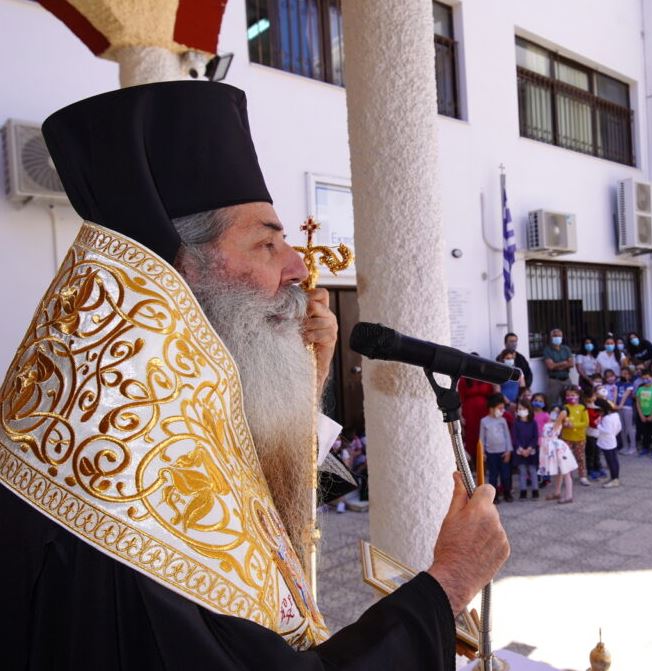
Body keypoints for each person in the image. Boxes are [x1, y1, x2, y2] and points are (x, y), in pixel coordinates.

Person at [1, 82, 507, 669]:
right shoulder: (120, 459)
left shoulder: (118, 403)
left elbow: (240, 511)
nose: (298, 268)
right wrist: (445, 588)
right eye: (266, 244)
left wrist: (308, 387)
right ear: (174, 267)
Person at [480, 395, 514, 503]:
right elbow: (481, 438)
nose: (502, 411)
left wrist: (508, 451)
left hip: (503, 452)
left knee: (505, 475)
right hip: (491, 453)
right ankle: (494, 496)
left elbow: (507, 436)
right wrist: (482, 453)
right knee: (493, 476)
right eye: (500, 408)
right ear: (491, 408)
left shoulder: (503, 420)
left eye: (503, 408)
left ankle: (507, 493)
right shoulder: (484, 421)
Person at [540, 407, 576, 503]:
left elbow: (563, 413)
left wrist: (563, 411)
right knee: (558, 472)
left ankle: (569, 496)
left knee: (566, 472)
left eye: (556, 411)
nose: (554, 412)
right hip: (551, 449)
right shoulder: (550, 421)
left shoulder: (557, 423)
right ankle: (557, 492)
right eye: (553, 410)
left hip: (558, 449)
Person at [461, 374, 497, 458]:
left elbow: (492, 395)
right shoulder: (464, 380)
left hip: (484, 411)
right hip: (469, 412)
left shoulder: (486, 378)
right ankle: (472, 459)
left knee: (484, 432)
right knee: (471, 433)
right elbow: (460, 399)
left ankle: (485, 457)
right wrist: (460, 416)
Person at [560, 385, 590, 486]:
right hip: (566, 438)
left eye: (573, 395)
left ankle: (583, 476)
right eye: (568, 395)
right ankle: (568, 477)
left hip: (579, 437)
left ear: (578, 396)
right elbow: (560, 420)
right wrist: (563, 424)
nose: (570, 397)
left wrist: (573, 425)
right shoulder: (564, 408)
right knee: (567, 458)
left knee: (580, 458)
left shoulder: (582, 408)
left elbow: (585, 423)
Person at [511, 399, 540, 500]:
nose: (521, 410)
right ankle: (523, 491)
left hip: (531, 451)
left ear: (529, 409)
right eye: (519, 409)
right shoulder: (516, 423)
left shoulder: (533, 423)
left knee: (533, 471)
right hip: (520, 451)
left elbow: (535, 437)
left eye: (523, 409)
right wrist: (521, 449)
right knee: (522, 471)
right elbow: (514, 438)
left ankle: (535, 491)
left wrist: (529, 448)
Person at [543, 328, 575, 404]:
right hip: (554, 381)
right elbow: (550, 366)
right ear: (551, 337)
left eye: (559, 335)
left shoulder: (566, 349)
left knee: (569, 402)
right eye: (555, 335)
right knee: (551, 402)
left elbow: (571, 364)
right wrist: (564, 363)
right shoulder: (547, 350)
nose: (557, 337)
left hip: (566, 379)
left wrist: (556, 365)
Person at [596, 399, 624, 488]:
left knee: (611, 461)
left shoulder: (607, 418)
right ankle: (614, 478)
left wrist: (598, 425)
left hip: (607, 442)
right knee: (613, 460)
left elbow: (607, 431)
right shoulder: (615, 415)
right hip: (612, 440)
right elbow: (619, 428)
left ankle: (615, 479)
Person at [634, 368, 652, 458]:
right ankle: (645, 448)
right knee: (645, 433)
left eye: (648, 377)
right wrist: (641, 415)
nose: (646, 380)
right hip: (642, 414)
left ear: (651, 378)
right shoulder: (640, 389)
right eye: (644, 378)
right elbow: (637, 403)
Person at [616, 367, 638, 455]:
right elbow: (615, 393)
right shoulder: (617, 383)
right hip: (618, 407)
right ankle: (625, 446)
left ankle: (633, 447)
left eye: (626, 373)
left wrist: (621, 404)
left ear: (629, 375)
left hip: (627, 407)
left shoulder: (630, 384)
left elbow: (626, 395)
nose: (623, 375)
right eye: (622, 373)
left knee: (629, 427)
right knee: (622, 428)